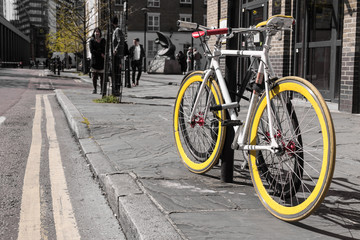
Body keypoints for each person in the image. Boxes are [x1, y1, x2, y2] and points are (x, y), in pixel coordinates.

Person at [90, 27, 106, 94]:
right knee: (94, 76)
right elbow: (92, 50)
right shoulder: (91, 41)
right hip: (94, 61)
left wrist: (103, 54)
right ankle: (94, 89)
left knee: (102, 76)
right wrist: (100, 53)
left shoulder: (103, 40)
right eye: (96, 32)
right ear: (94, 33)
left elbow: (104, 49)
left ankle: (102, 90)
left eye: (98, 32)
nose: (97, 33)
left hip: (101, 61)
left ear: (100, 33)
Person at [112, 16, 125, 96]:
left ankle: (117, 90)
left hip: (117, 56)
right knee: (115, 72)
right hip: (116, 56)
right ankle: (115, 89)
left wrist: (115, 50)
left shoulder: (117, 30)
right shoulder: (116, 30)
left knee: (117, 73)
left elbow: (121, 41)